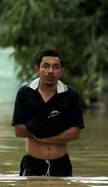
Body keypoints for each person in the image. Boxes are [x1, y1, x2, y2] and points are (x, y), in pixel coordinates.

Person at [12, 49, 84, 177]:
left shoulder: (71, 95)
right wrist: (50, 132)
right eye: (45, 66)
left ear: (62, 71)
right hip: (32, 163)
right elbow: (19, 130)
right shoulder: (24, 93)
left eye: (56, 67)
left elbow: (75, 133)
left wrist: (42, 137)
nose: (50, 71)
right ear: (37, 69)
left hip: (61, 163)